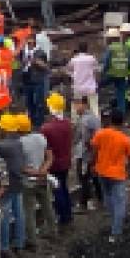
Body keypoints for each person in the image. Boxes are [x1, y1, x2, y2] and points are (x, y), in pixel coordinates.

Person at [91, 110, 130, 239]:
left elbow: (94, 151)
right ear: (122, 122)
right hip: (117, 174)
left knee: (108, 195)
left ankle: (113, 219)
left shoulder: (100, 134)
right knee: (120, 202)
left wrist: (92, 166)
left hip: (102, 171)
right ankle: (116, 230)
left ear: (110, 120)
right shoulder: (125, 140)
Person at [0, 115, 30, 256]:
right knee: (19, 213)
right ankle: (19, 243)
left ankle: (4, 247)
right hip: (18, 181)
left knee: (4, 215)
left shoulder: (1, 145)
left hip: (6, 184)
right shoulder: (19, 142)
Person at [19, 112, 55, 243]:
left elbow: (20, 167)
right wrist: (43, 171)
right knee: (47, 206)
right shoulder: (41, 137)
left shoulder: (19, 143)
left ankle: (32, 240)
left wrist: (34, 173)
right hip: (43, 178)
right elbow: (50, 156)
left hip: (28, 182)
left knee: (28, 211)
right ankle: (53, 231)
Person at [39, 94, 74, 227]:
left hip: (54, 164)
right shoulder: (67, 123)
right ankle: (68, 213)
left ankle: (63, 216)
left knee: (57, 191)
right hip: (66, 161)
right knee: (64, 187)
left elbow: (45, 148)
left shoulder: (46, 128)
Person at [72, 97, 101, 213]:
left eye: (77, 105)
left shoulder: (85, 120)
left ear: (84, 104)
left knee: (84, 178)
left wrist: (87, 155)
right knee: (94, 177)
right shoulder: (92, 118)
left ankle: (85, 203)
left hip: (85, 154)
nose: (75, 108)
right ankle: (100, 197)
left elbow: (85, 139)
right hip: (90, 152)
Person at [67, 46, 99, 118]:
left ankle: (75, 121)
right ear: (87, 49)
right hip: (90, 86)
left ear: (79, 50)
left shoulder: (74, 60)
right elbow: (96, 70)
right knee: (94, 105)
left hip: (78, 86)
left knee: (76, 105)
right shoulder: (92, 58)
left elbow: (68, 70)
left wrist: (73, 76)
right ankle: (97, 121)